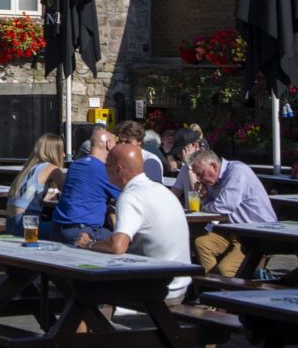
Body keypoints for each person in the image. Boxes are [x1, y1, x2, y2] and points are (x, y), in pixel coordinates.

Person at [75, 144, 191, 302]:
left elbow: (117, 246)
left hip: (159, 291)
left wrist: (89, 244)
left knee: (83, 290)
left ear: (118, 169)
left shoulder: (131, 196)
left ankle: (94, 319)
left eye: (106, 165)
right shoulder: (162, 190)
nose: (104, 170)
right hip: (180, 285)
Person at [189, 149, 277, 277]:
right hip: (235, 231)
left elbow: (222, 206)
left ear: (213, 166)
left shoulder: (237, 172)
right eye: (197, 175)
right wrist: (204, 197)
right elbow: (215, 206)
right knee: (202, 243)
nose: (198, 178)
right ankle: (211, 284)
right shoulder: (213, 180)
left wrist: (204, 206)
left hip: (257, 233)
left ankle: (222, 283)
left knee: (225, 270)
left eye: (200, 174)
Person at [46, 129, 119, 243]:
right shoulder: (104, 170)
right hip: (82, 232)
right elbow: (126, 198)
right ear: (108, 144)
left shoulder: (75, 165)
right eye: (115, 144)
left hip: (57, 229)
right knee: (121, 241)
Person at [5, 133, 65, 237]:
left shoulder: (30, 167)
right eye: (61, 150)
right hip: (25, 224)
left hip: (10, 224)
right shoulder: (53, 169)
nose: (64, 155)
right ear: (54, 152)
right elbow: (69, 194)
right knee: (66, 231)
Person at [169, 127, 208, 204]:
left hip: (205, 211)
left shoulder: (208, 166)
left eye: (181, 151)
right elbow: (174, 194)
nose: (179, 156)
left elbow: (198, 194)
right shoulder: (185, 167)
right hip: (191, 211)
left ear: (195, 146)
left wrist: (189, 164)